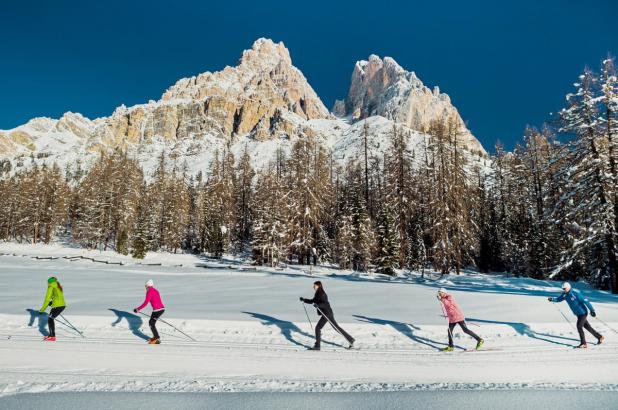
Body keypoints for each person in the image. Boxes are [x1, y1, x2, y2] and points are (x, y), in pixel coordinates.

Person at [300, 281, 355, 350]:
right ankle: (350, 339)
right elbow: (312, 301)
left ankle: (317, 346)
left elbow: (325, 304)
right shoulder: (317, 294)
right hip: (328, 313)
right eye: (314, 285)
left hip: (326, 313)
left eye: (315, 285)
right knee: (336, 327)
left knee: (318, 328)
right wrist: (304, 300)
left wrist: (318, 305)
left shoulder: (322, 294)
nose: (313, 287)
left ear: (318, 286)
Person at [548, 282, 604, 348]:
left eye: (565, 288)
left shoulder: (576, 294)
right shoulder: (564, 295)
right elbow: (558, 299)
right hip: (578, 314)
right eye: (563, 289)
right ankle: (600, 337)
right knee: (587, 327)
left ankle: (583, 343)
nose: (564, 290)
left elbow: (586, 301)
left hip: (583, 313)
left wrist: (592, 310)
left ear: (568, 288)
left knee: (579, 326)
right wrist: (552, 299)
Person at [134, 279, 165, 344]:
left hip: (158, 310)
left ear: (147, 285)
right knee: (151, 323)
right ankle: (156, 337)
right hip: (160, 309)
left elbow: (145, 303)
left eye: (145, 286)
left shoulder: (149, 292)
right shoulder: (155, 290)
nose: (145, 287)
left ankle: (156, 338)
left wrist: (138, 309)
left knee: (151, 323)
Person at [39, 276, 66, 342]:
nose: (47, 284)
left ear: (50, 282)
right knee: (50, 319)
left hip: (57, 306)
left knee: (50, 319)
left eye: (48, 282)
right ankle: (51, 336)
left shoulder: (51, 287)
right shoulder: (58, 286)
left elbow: (47, 299)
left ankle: (52, 337)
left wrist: (42, 310)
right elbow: (57, 297)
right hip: (61, 305)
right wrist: (52, 303)